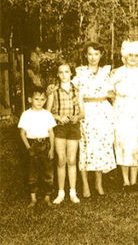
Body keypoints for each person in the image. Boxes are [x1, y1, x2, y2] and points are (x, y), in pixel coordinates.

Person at [73, 41, 115, 197]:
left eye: (96, 54)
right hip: (86, 111)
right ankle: (85, 185)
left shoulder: (106, 72)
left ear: (101, 55)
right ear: (86, 55)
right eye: (90, 54)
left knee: (101, 146)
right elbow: (76, 95)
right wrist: (81, 112)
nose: (93, 57)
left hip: (103, 111)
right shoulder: (80, 73)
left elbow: (112, 92)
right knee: (85, 146)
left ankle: (98, 183)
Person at [112, 40, 138, 190]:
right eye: (130, 55)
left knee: (136, 143)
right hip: (122, 110)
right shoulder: (116, 73)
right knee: (123, 143)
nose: (133, 58)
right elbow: (110, 93)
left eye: (136, 55)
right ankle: (125, 181)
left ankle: (134, 181)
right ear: (125, 55)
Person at [46, 61, 82, 204]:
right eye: (60, 72)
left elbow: (82, 112)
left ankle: (73, 191)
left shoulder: (78, 91)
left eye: (66, 72)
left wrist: (76, 117)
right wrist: (59, 117)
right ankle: (61, 192)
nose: (64, 75)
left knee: (72, 159)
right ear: (57, 74)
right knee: (61, 160)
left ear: (71, 73)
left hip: (73, 127)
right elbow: (47, 112)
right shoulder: (53, 91)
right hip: (59, 128)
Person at [18, 86, 55, 207]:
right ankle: (33, 198)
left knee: (48, 172)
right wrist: (29, 148)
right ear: (30, 99)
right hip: (32, 144)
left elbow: (51, 133)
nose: (40, 102)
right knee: (32, 172)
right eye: (37, 99)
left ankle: (47, 197)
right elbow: (22, 133)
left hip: (45, 144)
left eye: (43, 99)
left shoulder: (47, 114)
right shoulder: (26, 114)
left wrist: (51, 149)